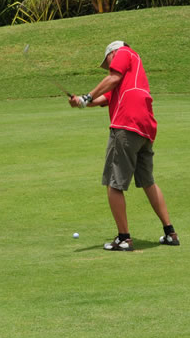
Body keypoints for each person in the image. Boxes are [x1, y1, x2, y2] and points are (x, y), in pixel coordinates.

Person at [68, 41, 178, 251]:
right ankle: (170, 233)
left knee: (114, 183)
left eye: (107, 61)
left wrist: (86, 96)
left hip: (126, 124)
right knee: (148, 181)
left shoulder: (125, 52)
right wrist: (81, 102)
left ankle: (124, 238)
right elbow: (103, 98)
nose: (108, 66)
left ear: (113, 53)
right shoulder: (125, 80)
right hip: (145, 129)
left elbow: (112, 77)